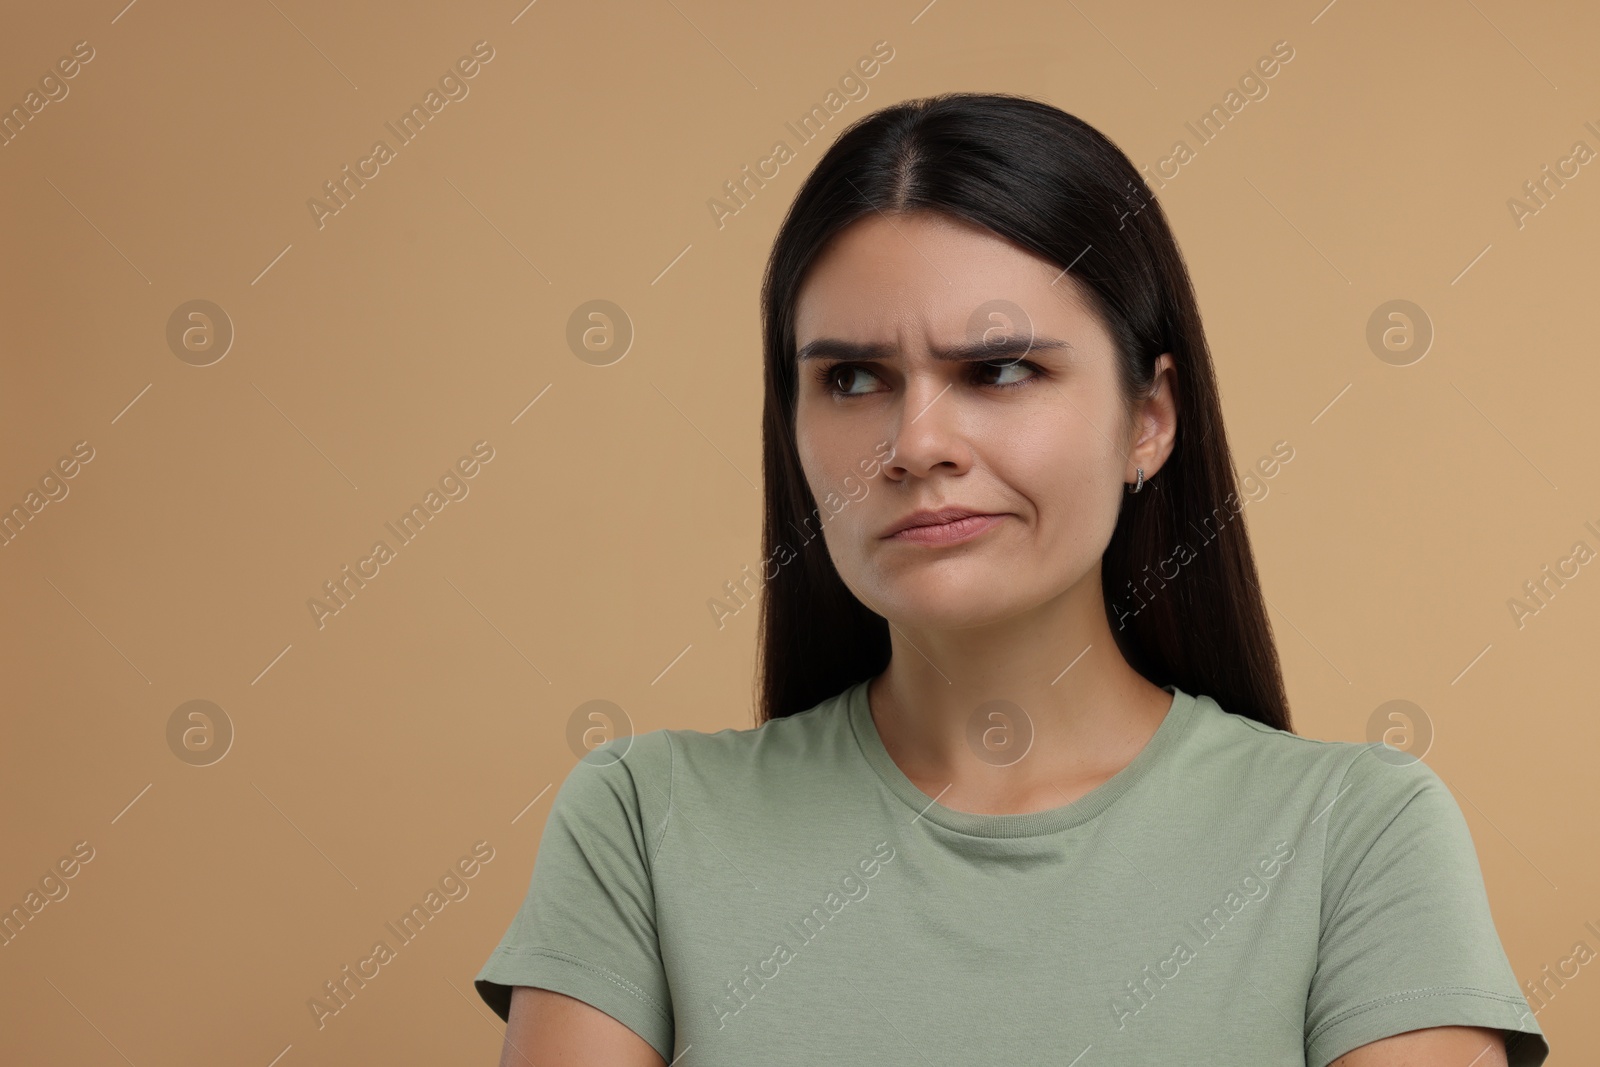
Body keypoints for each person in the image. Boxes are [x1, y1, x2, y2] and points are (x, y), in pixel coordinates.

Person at [473, 92, 1550, 1067]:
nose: (915, 441)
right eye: (851, 377)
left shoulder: (1355, 834)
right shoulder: (640, 823)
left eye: (997, 369)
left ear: (1148, 418)